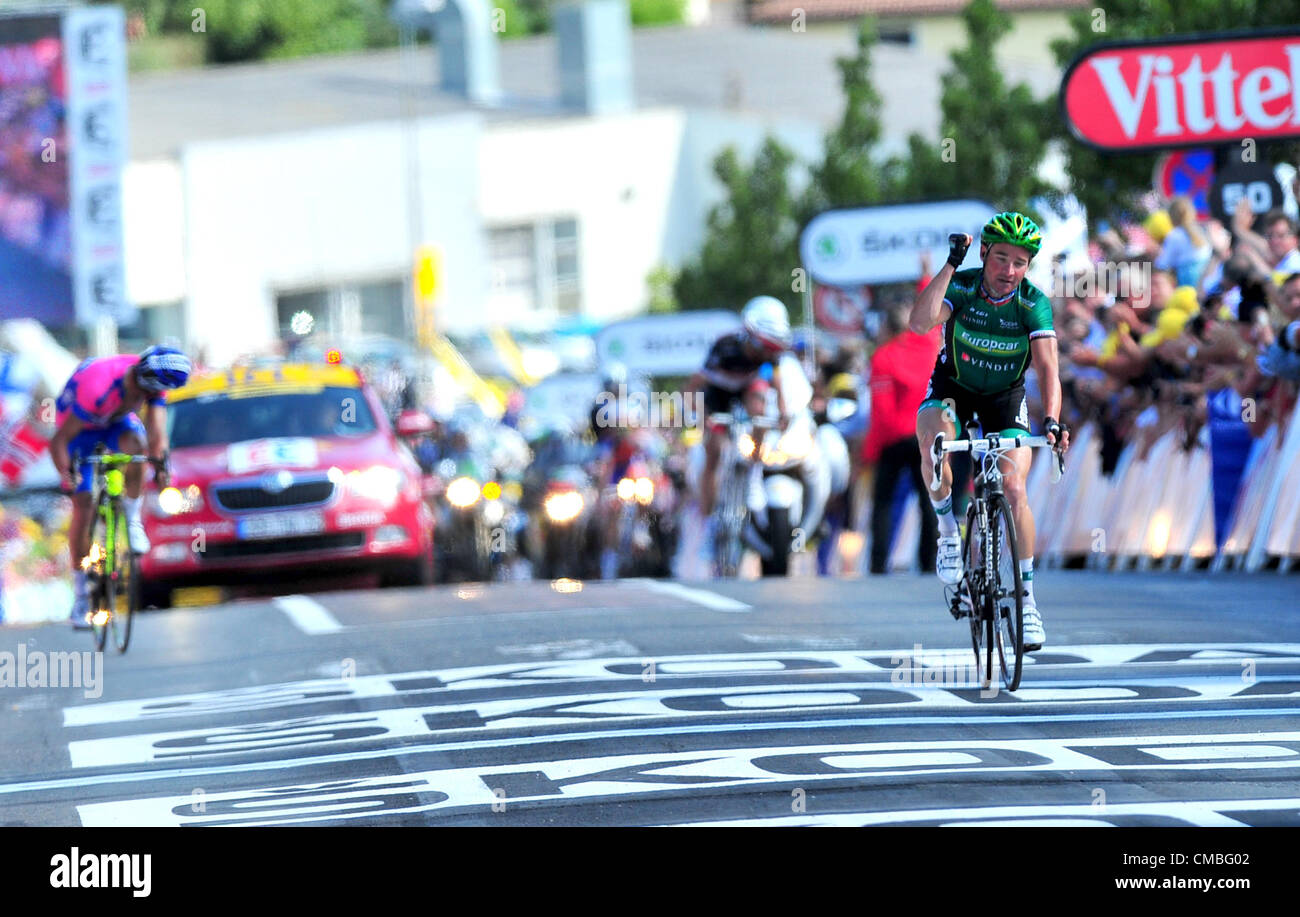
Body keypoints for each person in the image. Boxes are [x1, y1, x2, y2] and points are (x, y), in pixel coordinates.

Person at [910, 212, 1070, 651]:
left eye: (1020, 262)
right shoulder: (961, 285)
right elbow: (920, 323)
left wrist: (1053, 420)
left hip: (1004, 398)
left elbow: (1048, 367)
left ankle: (1028, 600)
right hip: (953, 391)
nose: (1009, 271)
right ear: (984, 254)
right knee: (934, 445)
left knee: (1015, 489)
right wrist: (948, 265)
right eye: (1001, 258)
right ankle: (948, 534)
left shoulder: (1032, 302)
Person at [48, 345, 192, 629]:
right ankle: (81, 596)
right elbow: (59, 441)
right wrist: (69, 478)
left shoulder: (152, 381)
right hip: (79, 428)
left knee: (137, 449)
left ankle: (132, 515)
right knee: (85, 503)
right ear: (140, 379)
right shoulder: (99, 385)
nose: (147, 399)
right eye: (145, 394)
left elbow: (157, 435)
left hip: (114, 421)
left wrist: (162, 467)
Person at [688, 296, 795, 560]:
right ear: (749, 337)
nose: (766, 355)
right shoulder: (724, 348)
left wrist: (783, 412)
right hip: (717, 394)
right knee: (713, 448)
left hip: (748, 389)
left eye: (772, 350)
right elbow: (690, 390)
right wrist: (704, 419)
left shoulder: (771, 356)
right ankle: (708, 521)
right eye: (763, 347)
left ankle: (754, 473)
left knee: (761, 411)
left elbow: (777, 384)